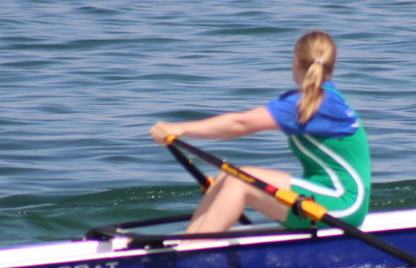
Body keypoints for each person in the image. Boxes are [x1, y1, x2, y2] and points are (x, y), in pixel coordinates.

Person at [149, 31, 371, 235]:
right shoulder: (318, 101)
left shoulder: (315, 103)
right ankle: (189, 242)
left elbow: (241, 123)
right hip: (325, 195)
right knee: (228, 175)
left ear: (295, 62)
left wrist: (180, 128)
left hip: (343, 204)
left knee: (240, 180)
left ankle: (191, 254)